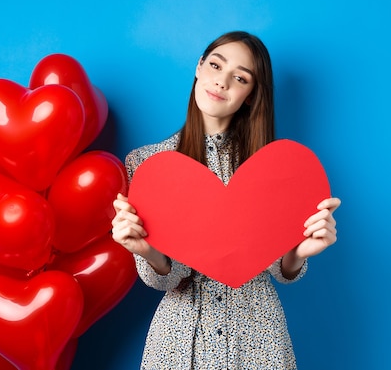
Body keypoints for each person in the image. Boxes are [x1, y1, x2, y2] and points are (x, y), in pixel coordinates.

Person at [111, 31, 341, 370]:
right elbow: (166, 279)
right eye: (216, 66)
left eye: (240, 77)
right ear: (198, 67)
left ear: (250, 95)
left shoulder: (274, 170)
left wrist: (298, 253)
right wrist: (145, 250)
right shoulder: (146, 164)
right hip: (179, 342)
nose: (221, 82)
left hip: (258, 339)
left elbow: (280, 269)